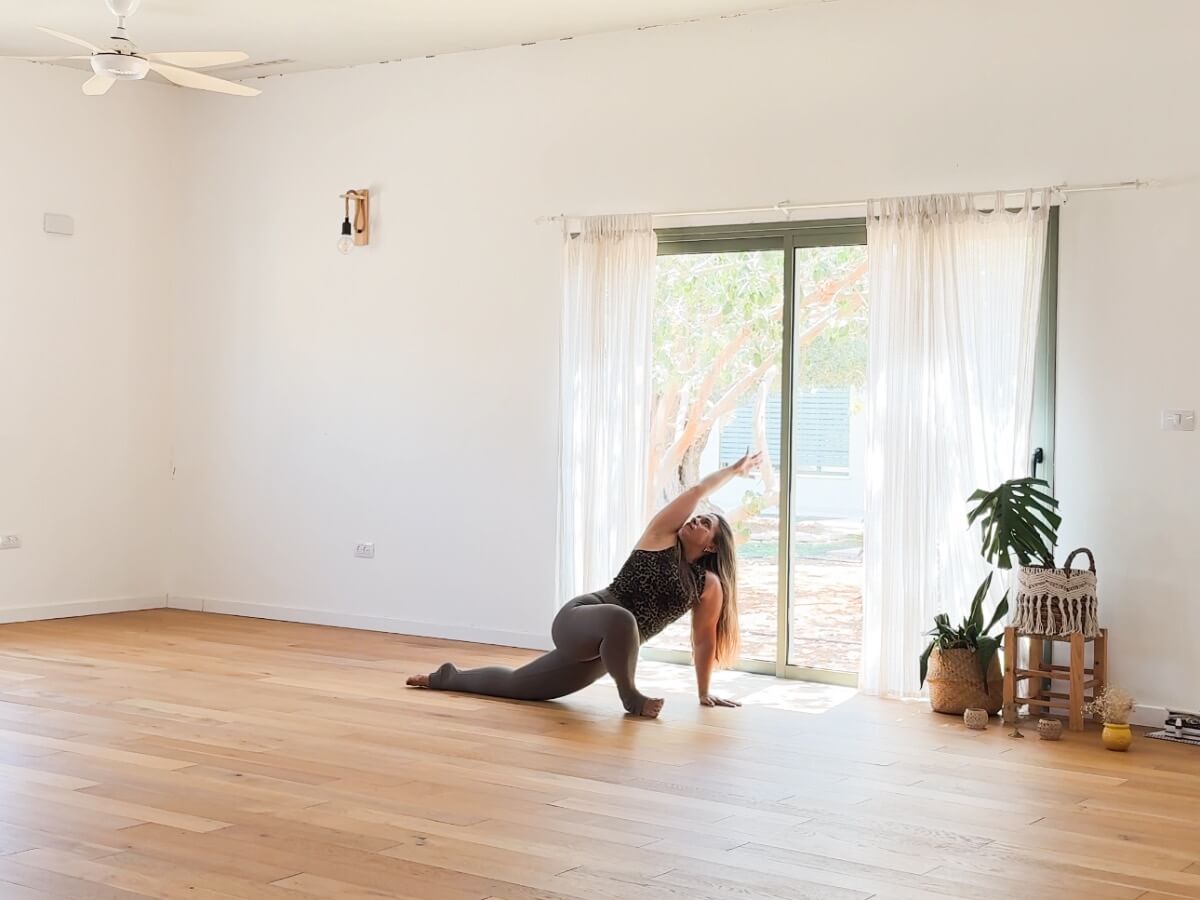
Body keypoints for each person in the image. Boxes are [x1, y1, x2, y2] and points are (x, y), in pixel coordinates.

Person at [406, 450, 762, 717]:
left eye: (705, 524)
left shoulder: (707, 585)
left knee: (517, 686)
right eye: (697, 517)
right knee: (623, 618)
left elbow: (703, 639)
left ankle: (446, 677)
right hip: (581, 618)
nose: (696, 520)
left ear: (712, 546)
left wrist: (703, 692)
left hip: (606, 654)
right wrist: (733, 471)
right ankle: (632, 698)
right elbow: (697, 490)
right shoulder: (661, 536)